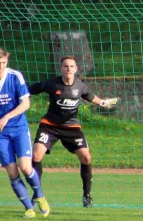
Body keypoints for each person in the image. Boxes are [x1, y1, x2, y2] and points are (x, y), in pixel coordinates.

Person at [28, 55, 119, 207]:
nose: (69, 69)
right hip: (50, 126)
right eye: (65, 66)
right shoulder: (52, 83)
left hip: (72, 127)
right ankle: (37, 195)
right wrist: (21, 94)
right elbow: (34, 88)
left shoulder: (80, 86)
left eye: (71, 66)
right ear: (61, 69)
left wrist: (103, 103)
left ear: (76, 69)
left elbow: (90, 96)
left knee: (86, 157)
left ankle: (87, 196)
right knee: (36, 154)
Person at [0, 47, 49, 218]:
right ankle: (29, 208)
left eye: (3, 63)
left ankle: (40, 196)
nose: (0, 66)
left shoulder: (15, 76)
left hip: (19, 128)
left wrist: (6, 117)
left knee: (25, 166)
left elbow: (25, 104)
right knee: (12, 171)